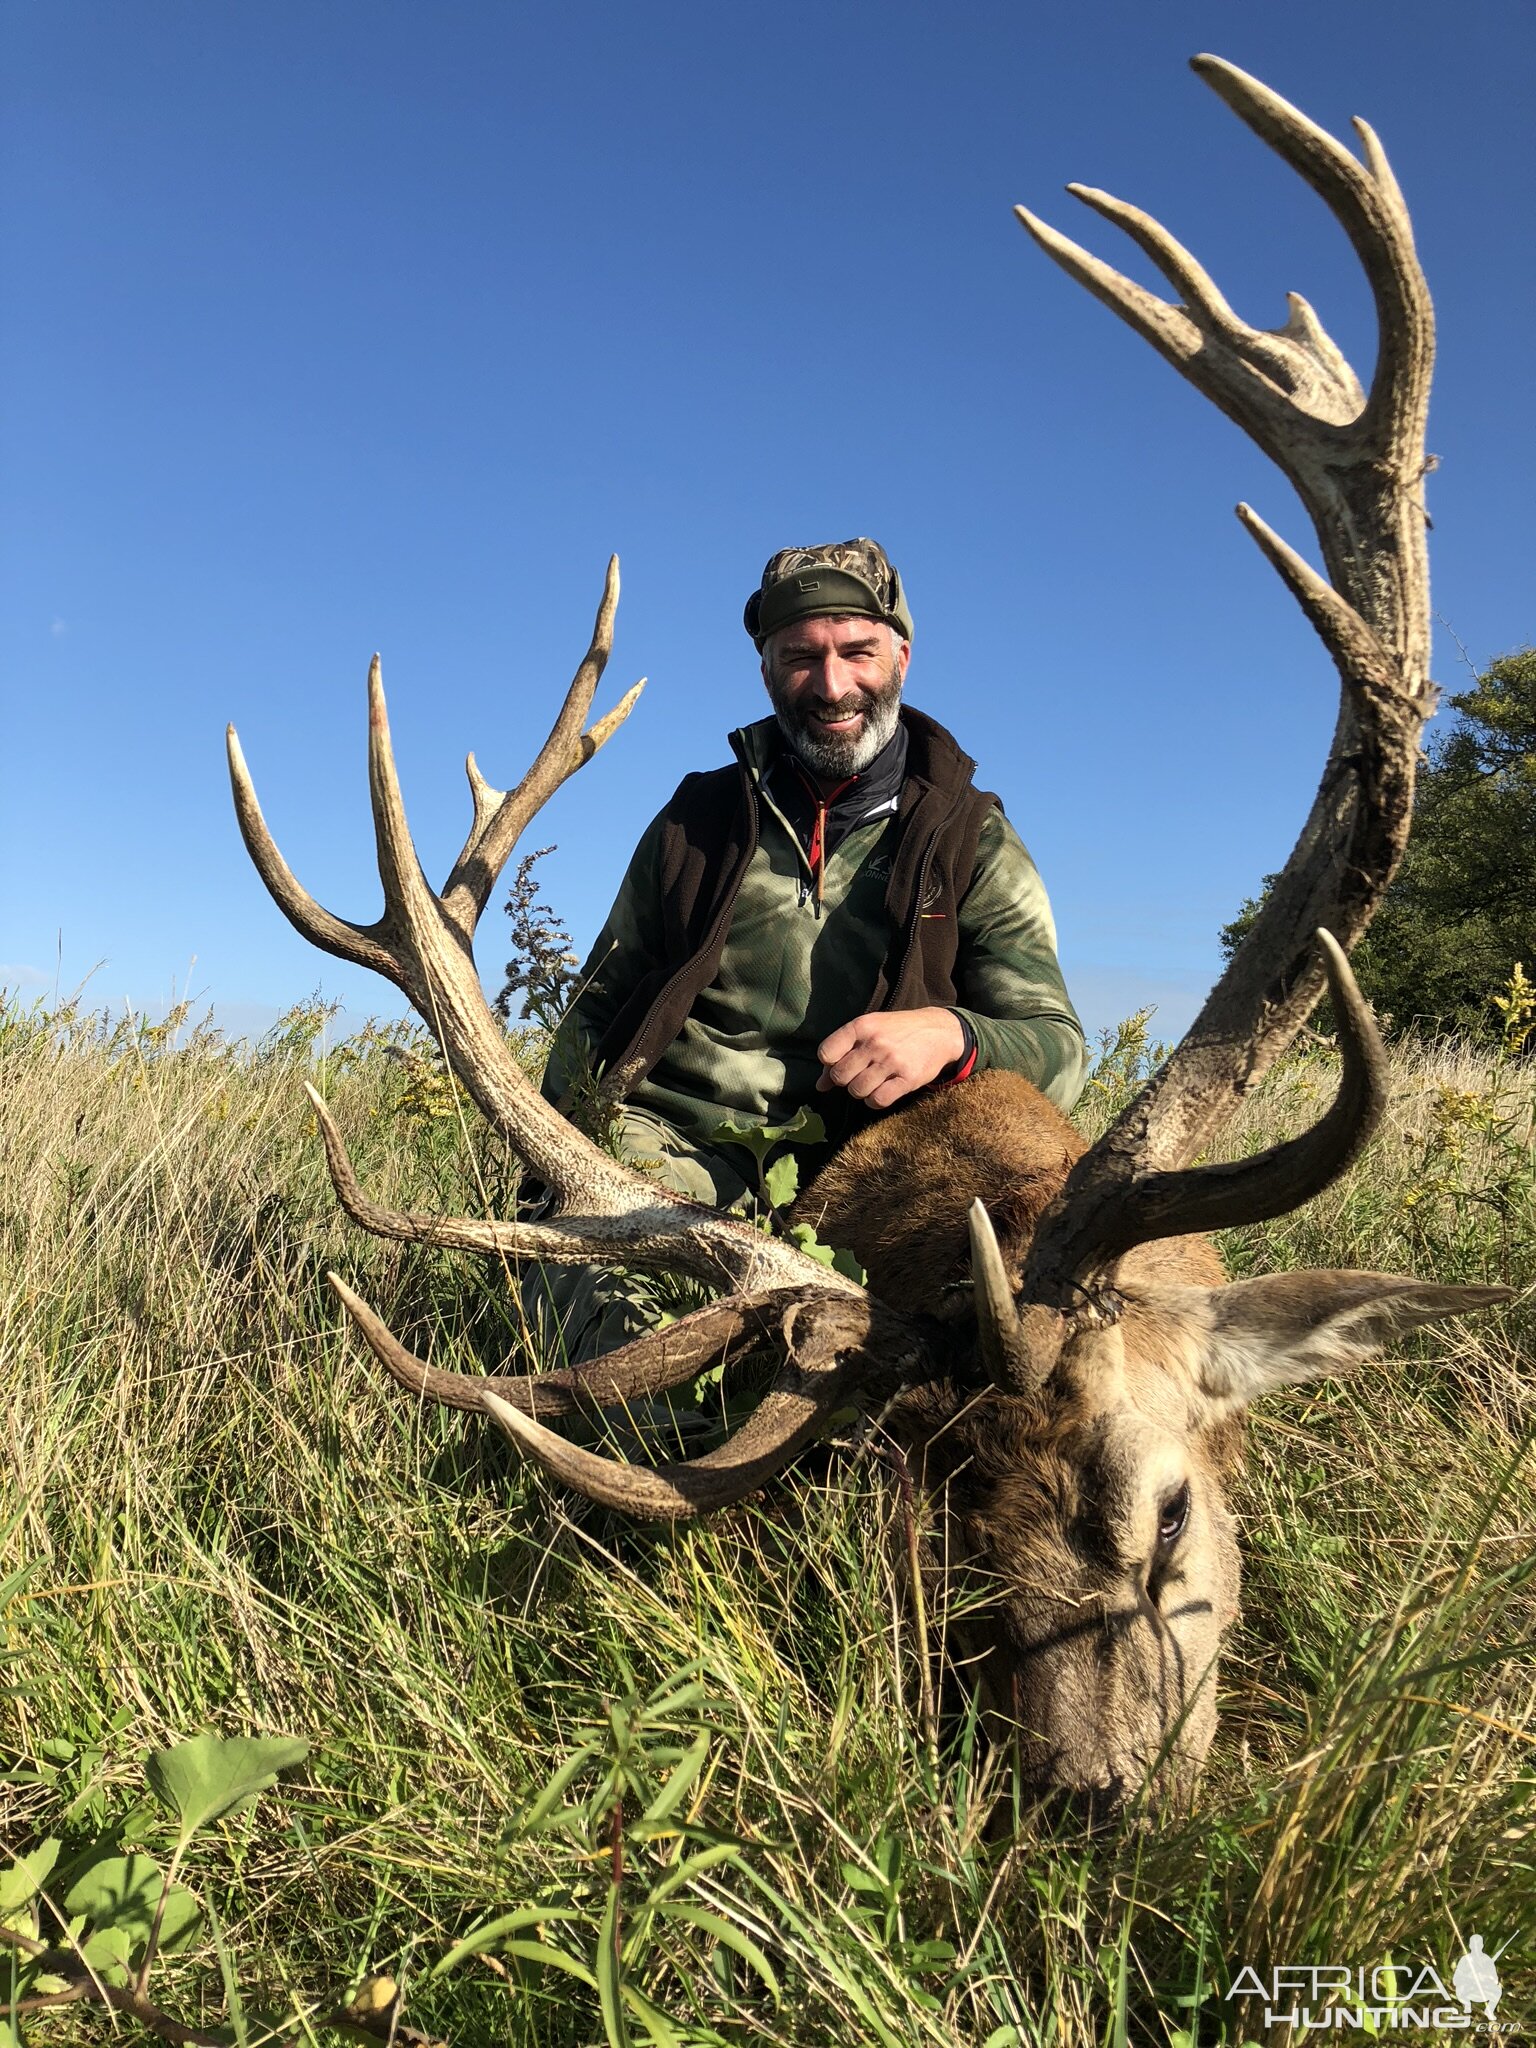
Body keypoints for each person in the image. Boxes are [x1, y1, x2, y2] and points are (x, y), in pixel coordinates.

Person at [537, 537, 1086, 1359]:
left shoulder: (974, 842)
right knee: (631, 1356)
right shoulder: (697, 821)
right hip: (669, 1158)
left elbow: (1061, 1049)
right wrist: (555, 1162)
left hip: (864, 1193)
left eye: (857, 651)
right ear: (766, 669)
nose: (833, 686)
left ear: (902, 654)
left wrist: (954, 1035)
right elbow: (598, 1006)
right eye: (801, 657)